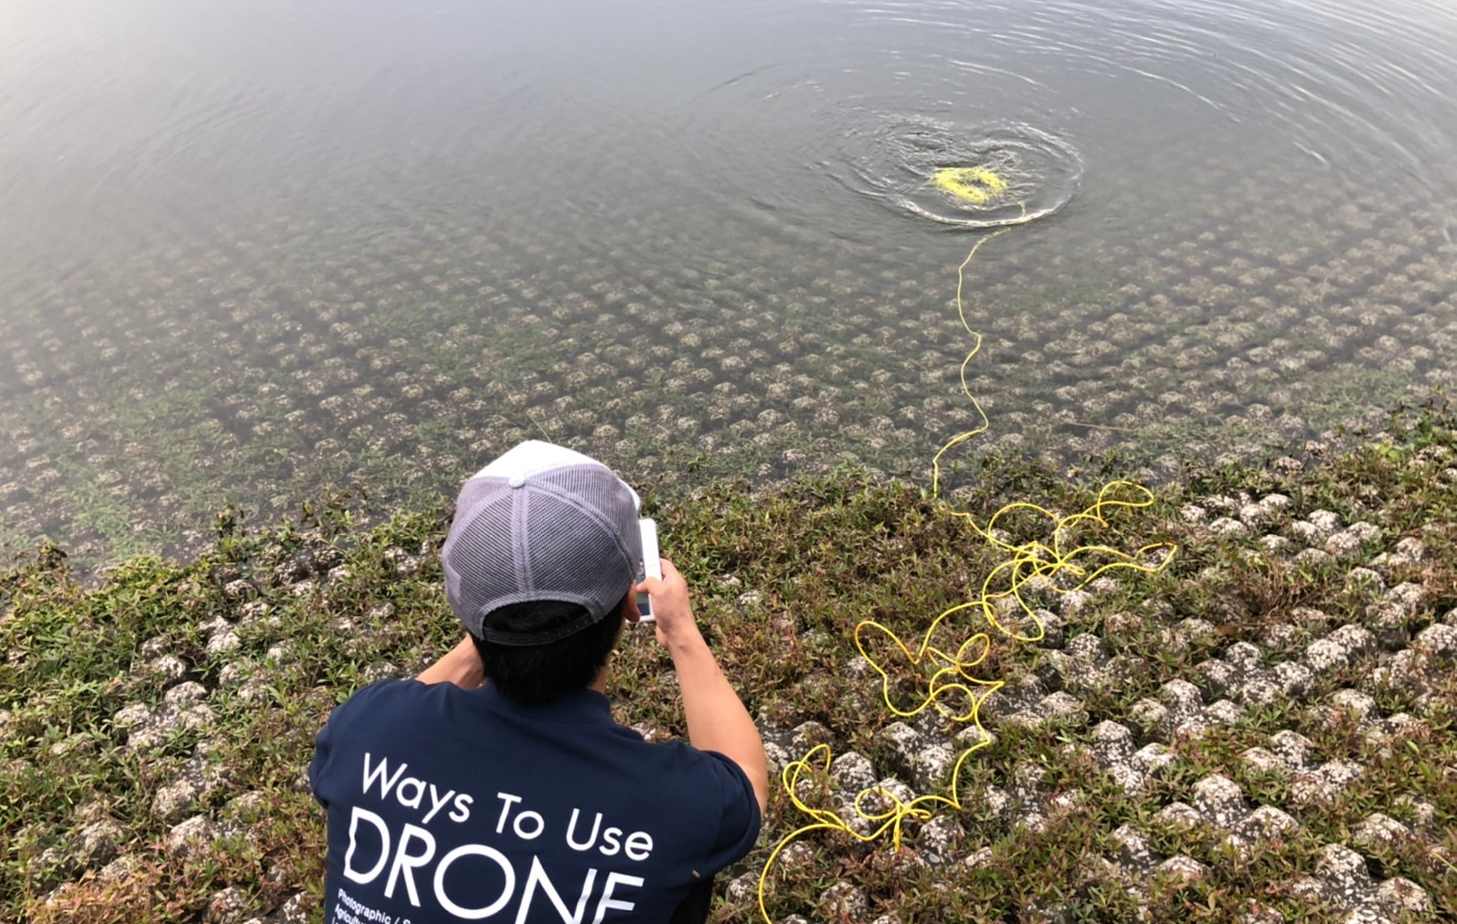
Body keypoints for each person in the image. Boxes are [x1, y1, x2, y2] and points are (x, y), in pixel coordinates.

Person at [309, 440, 768, 924]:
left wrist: (495, 628)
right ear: (630, 604)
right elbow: (746, 783)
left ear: (462, 609)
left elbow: (406, 707)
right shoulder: (668, 805)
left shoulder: (365, 730)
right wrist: (681, 633)